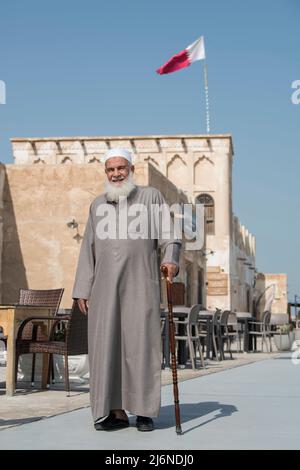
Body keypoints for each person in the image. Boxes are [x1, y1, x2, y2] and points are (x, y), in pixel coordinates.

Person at [72, 148, 181, 432]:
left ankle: (144, 412)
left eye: (121, 168)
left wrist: (170, 260)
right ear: (106, 173)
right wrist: (83, 288)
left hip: (140, 285)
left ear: (131, 169)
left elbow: (170, 236)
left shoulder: (151, 197)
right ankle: (113, 411)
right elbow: (88, 250)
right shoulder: (97, 205)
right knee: (106, 349)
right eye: (110, 170)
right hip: (104, 289)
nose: (116, 174)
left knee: (141, 346)